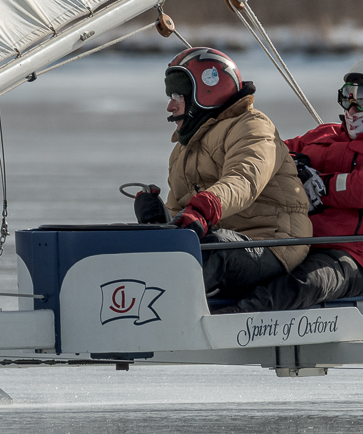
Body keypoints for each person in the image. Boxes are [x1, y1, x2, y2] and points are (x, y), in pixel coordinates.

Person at [224, 57, 363, 313]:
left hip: (351, 255)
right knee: (228, 256)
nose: (353, 107)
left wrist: (320, 185)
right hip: (290, 239)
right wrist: (296, 168)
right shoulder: (324, 134)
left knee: (305, 283)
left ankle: (235, 320)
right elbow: (270, 153)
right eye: (348, 96)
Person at [133, 47, 312, 300]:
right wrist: (158, 219)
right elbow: (183, 213)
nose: (170, 106)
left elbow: (244, 179)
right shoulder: (183, 149)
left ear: (204, 94)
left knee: (212, 250)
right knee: (131, 241)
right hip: (224, 237)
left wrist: (207, 205)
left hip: (273, 242)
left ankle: (158, 311)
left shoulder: (253, 126)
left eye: (177, 95)